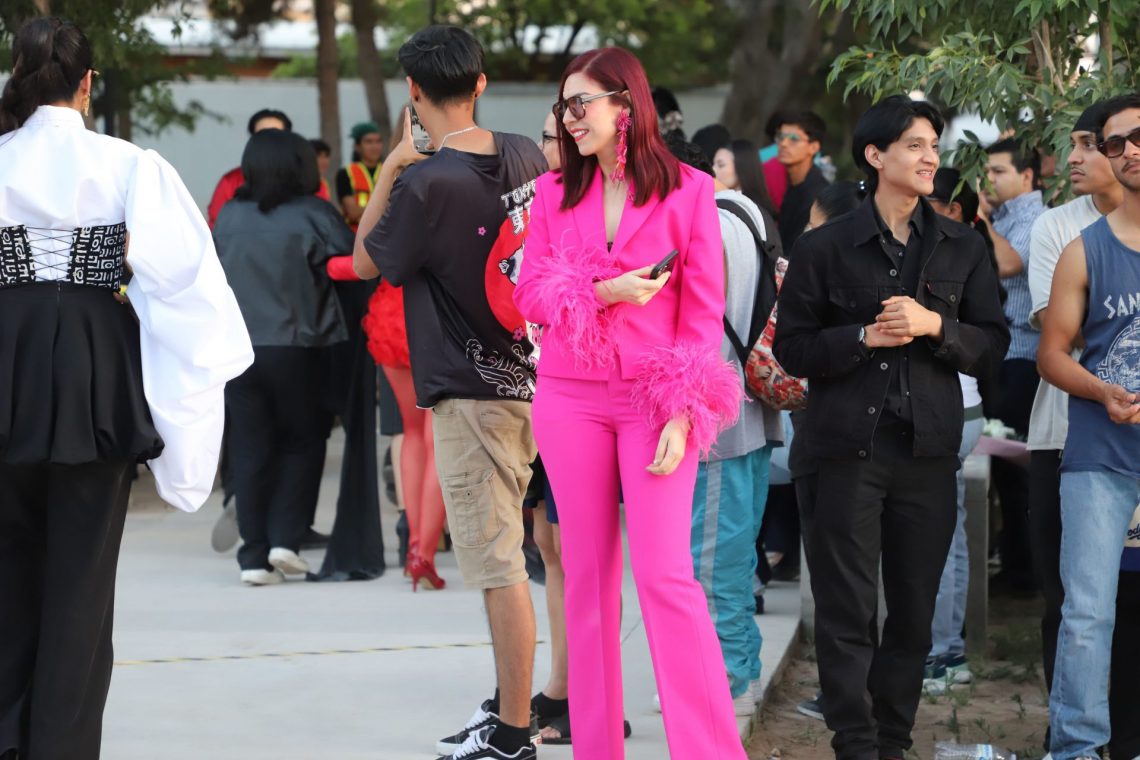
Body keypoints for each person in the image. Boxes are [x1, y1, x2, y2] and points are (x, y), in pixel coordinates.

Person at [0, 17, 253, 758]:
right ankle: (62, 744)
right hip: (93, 366)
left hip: (7, 356)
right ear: (87, 84)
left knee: (6, 570)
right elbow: (187, 283)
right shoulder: (130, 165)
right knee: (81, 581)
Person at [515, 46, 747, 760]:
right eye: (563, 106)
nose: (568, 117)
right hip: (570, 398)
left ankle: (710, 751)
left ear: (626, 104)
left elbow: (702, 315)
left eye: (580, 103)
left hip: (655, 401)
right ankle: (596, 748)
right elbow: (530, 297)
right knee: (586, 579)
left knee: (664, 575)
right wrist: (601, 291)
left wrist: (684, 411)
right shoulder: (552, 192)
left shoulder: (690, 190)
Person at [774, 95, 1009, 760]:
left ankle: (893, 740)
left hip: (928, 451)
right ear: (875, 156)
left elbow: (993, 344)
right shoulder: (824, 246)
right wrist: (862, 337)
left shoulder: (964, 246)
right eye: (914, 144)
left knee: (913, 610)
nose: (930, 156)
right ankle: (855, 744)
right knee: (847, 611)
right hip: (843, 451)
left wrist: (936, 326)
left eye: (933, 143)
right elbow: (791, 348)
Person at [353, 26, 547, 760]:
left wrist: (393, 165)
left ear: (412, 91)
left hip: (472, 394)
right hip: (535, 380)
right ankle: (507, 708)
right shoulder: (525, 154)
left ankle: (513, 735)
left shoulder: (426, 183)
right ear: (481, 82)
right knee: (518, 557)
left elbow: (364, 261)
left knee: (500, 569)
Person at [1038, 93, 1140, 760]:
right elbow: (1051, 355)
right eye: (1115, 143)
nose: (1129, 150)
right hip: (1100, 456)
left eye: (1138, 136)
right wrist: (1102, 390)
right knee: (1087, 614)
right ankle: (1075, 748)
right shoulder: (1084, 250)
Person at [671, 137, 785, 718]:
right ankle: (740, 669)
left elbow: (700, 326)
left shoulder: (707, 225)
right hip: (751, 410)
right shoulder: (746, 212)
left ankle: (726, 681)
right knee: (733, 559)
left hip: (718, 420)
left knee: (711, 563)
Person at [213, 130, 352, 585]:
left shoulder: (229, 216)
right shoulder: (315, 214)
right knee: (303, 441)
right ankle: (285, 541)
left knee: (249, 448)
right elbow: (354, 266)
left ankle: (253, 557)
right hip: (301, 346)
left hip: (238, 350)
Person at [1025, 100, 1123, 724]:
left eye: (1092, 144)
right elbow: (1060, 335)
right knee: (1071, 602)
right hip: (1065, 435)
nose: (1076, 157)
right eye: (1079, 143)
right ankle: (1071, 736)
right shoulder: (1058, 228)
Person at [921, 169, 992, 693]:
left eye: (934, 202)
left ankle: (938, 655)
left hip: (949, 409)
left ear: (956, 212)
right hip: (965, 408)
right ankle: (950, 651)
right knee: (953, 532)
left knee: (938, 536)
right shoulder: (968, 250)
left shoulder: (953, 253)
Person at [979, 137, 1047, 593]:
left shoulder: (1034, 218)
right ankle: (1017, 563)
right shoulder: (1006, 215)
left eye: (999, 171)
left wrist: (981, 218)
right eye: (987, 171)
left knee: (1017, 466)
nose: (989, 179)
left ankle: (1026, 572)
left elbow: (1007, 263)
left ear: (1027, 176)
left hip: (1023, 355)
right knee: (1003, 467)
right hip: (1003, 354)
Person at [206, 107, 292, 228]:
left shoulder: (305, 182)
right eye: (261, 135)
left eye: (275, 135)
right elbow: (216, 227)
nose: (268, 141)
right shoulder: (231, 181)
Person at [772, 109, 830, 249]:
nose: (783, 143)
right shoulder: (794, 183)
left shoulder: (817, 195)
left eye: (793, 139)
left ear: (814, 147)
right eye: (781, 137)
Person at [338, 121, 384, 230]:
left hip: (386, 236)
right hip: (356, 236)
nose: (375, 146)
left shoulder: (392, 170)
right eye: (369, 142)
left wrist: (362, 210)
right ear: (357, 146)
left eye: (378, 141)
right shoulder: (346, 173)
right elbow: (352, 213)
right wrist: (385, 208)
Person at [714, 138, 777, 214]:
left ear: (742, 167)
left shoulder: (754, 209)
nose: (713, 170)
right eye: (713, 164)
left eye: (721, 165)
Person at [310, 137, 334, 202]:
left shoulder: (324, 183)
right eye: (319, 156)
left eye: (326, 156)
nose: (324, 161)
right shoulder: (304, 185)